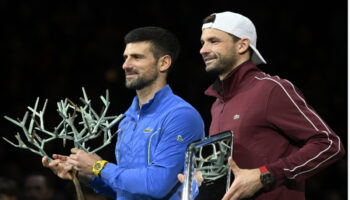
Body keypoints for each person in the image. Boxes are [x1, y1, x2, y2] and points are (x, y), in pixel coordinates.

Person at [42, 26, 205, 200]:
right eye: (126, 57)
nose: (126, 65)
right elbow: (125, 190)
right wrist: (84, 174)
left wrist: (99, 166)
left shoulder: (181, 116)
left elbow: (157, 185)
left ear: (163, 63)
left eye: (137, 57)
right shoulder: (127, 120)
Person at [197, 11, 345, 200]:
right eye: (203, 43)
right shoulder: (217, 104)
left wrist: (265, 175)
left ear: (242, 45)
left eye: (214, 41)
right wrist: (207, 184)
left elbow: (329, 144)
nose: (203, 50)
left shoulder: (271, 89)